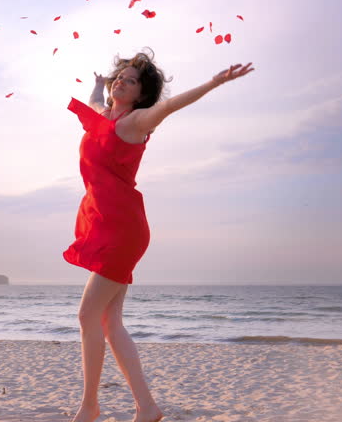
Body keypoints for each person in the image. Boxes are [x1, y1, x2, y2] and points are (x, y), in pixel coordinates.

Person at [63, 48, 254, 422]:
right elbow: (94, 102)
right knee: (109, 321)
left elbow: (170, 107)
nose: (122, 81)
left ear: (140, 94)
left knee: (88, 315)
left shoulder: (137, 123)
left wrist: (214, 83)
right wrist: (99, 84)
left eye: (130, 81)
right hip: (105, 221)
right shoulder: (102, 116)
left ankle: (90, 407)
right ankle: (146, 408)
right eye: (120, 76)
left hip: (122, 228)